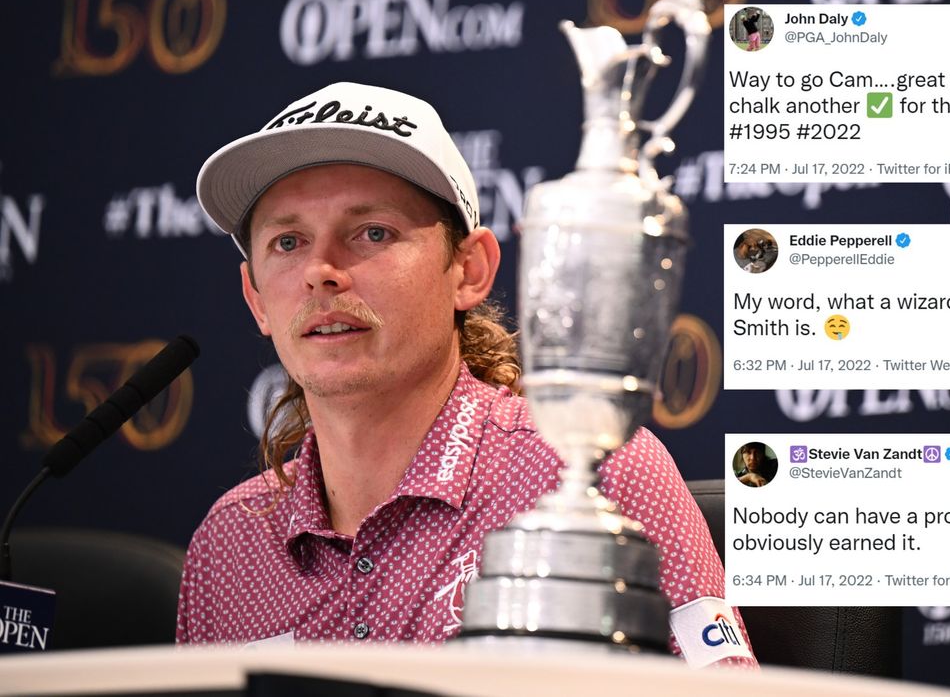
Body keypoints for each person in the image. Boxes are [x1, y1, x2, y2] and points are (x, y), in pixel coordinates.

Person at [178, 82, 755, 668]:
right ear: (256, 299)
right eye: (288, 242)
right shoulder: (228, 545)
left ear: (469, 270)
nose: (321, 271)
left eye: (372, 232)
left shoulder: (595, 471)